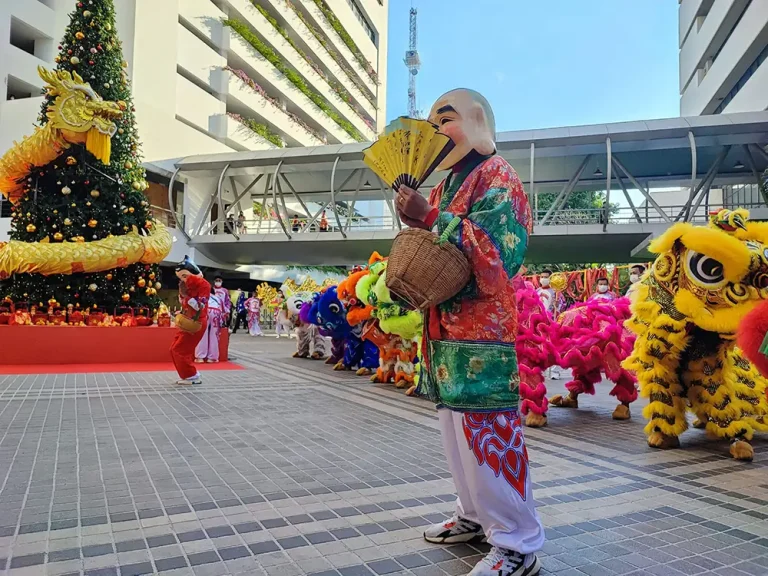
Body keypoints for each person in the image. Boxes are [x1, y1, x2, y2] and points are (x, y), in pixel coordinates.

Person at [395, 89, 544, 576]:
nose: (436, 129)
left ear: (477, 121)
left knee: (489, 433)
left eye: (447, 118)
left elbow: (502, 255)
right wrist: (418, 218)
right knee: (456, 434)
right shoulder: (443, 186)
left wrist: (432, 218)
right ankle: (475, 516)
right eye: (432, 122)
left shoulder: (499, 175)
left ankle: (517, 543)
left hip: (482, 332)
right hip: (443, 330)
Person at [171, 256, 210, 385]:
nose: (183, 280)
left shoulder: (202, 285)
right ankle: (189, 374)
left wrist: (188, 300)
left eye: (184, 276)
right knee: (176, 349)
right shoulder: (186, 287)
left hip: (196, 322)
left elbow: (201, 306)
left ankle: (191, 375)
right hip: (190, 321)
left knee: (179, 349)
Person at [196, 285, 224, 362]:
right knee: (214, 335)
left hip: (206, 311)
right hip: (216, 312)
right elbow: (223, 310)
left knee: (202, 334)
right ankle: (212, 358)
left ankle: (200, 357)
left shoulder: (202, 296)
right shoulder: (218, 298)